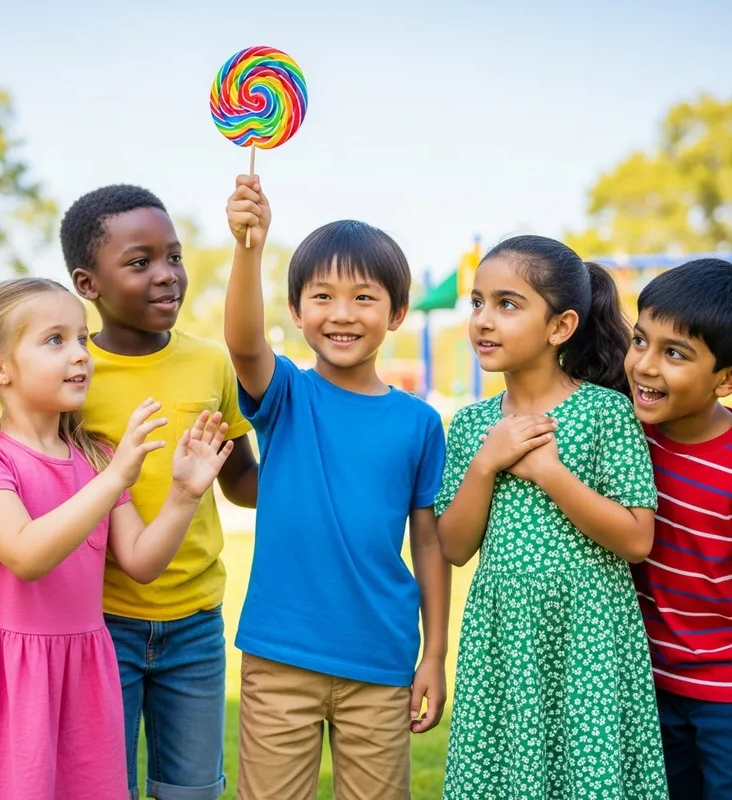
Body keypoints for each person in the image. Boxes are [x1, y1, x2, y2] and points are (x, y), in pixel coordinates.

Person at [0, 277, 234, 800]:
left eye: (81, 338)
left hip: (81, 671)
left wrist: (185, 494)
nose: (79, 354)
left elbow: (141, 561)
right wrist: (115, 478)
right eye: (55, 340)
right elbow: (26, 553)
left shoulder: (94, 457)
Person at [225, 174, 451, 800]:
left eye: (364, 297)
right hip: (280, 655)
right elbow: (242, 342)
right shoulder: (286, 394)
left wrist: (434, 655)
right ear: (296, 311)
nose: (343, 313)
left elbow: (429, 543)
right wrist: (248, 247)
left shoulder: (420, 423)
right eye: (322, 296)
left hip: (380, 660)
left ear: (397, 313)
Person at [435, 235, 668, 798]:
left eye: (507, 304)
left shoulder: (605, 412)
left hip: (588, 635)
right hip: (503, 637)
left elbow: (637, 539)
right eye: (477, 302)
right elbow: (454, 547)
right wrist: (486, 464)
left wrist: (550, 473)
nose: (483, 320)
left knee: (587, 775)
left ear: (560, 326)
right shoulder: (471, 426)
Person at [60, 184, 257, 800]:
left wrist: (319, 468)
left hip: (195, 625)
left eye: (173, 256)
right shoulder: (71, 376)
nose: (167, 274)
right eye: (139, 262)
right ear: (88, 284)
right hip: (98, 623)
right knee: (102, 787)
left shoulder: (211, 363)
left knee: (193, 790)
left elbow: (242, 481)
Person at [626, 258, 732, 799]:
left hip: (725, 697)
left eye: (675, 353)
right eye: (640, 340)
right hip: (647, 685)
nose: (645, 365)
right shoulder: (625, 441)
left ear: (726, 378)